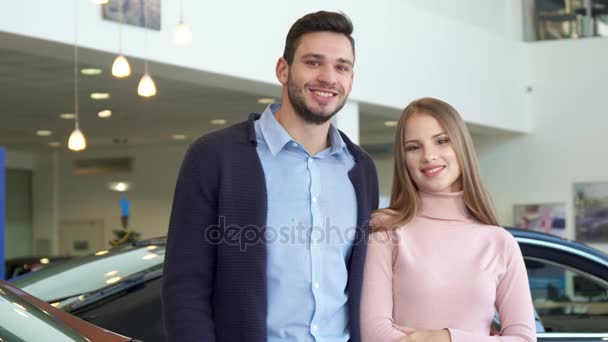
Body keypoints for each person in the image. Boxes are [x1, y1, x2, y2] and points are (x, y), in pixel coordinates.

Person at [162, 11, 379, 342]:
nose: (328, 77)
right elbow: (185, 287)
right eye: (313, 62)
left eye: (341, 67)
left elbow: (363, 283)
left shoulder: (360, 169)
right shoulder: (215, 156)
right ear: (283, 69)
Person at [360, 98, 536, 342]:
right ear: (404, 160)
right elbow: (374, 335)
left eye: (441, 141)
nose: (429, 156)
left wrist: (444, 338)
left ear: (461, 146)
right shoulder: (386, 231)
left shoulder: (500, 242)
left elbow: (524, 339)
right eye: (413, 147)